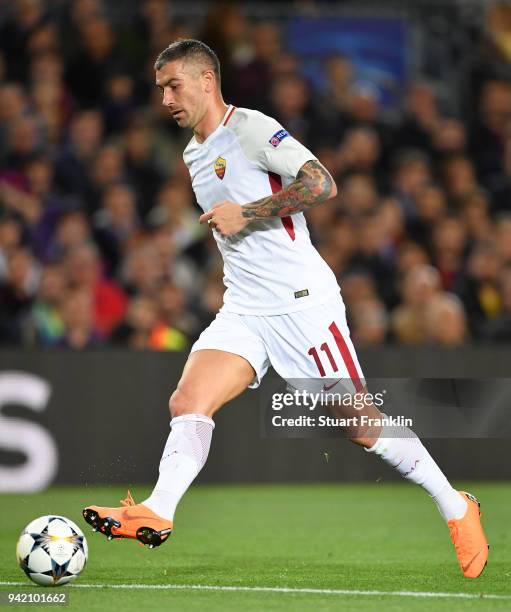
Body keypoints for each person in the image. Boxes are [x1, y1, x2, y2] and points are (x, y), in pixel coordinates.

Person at [83, 39, 488, 578]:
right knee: (188, 401)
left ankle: (456, 505)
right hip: (245, 308)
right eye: (160, 89)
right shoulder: (192, 153)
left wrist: (248, 212)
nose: (166, 100)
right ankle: (159, 510)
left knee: (359, 424)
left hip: (303, 306)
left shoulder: (251, 129)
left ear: (207, 81)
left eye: (174, 85)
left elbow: (322, 183)